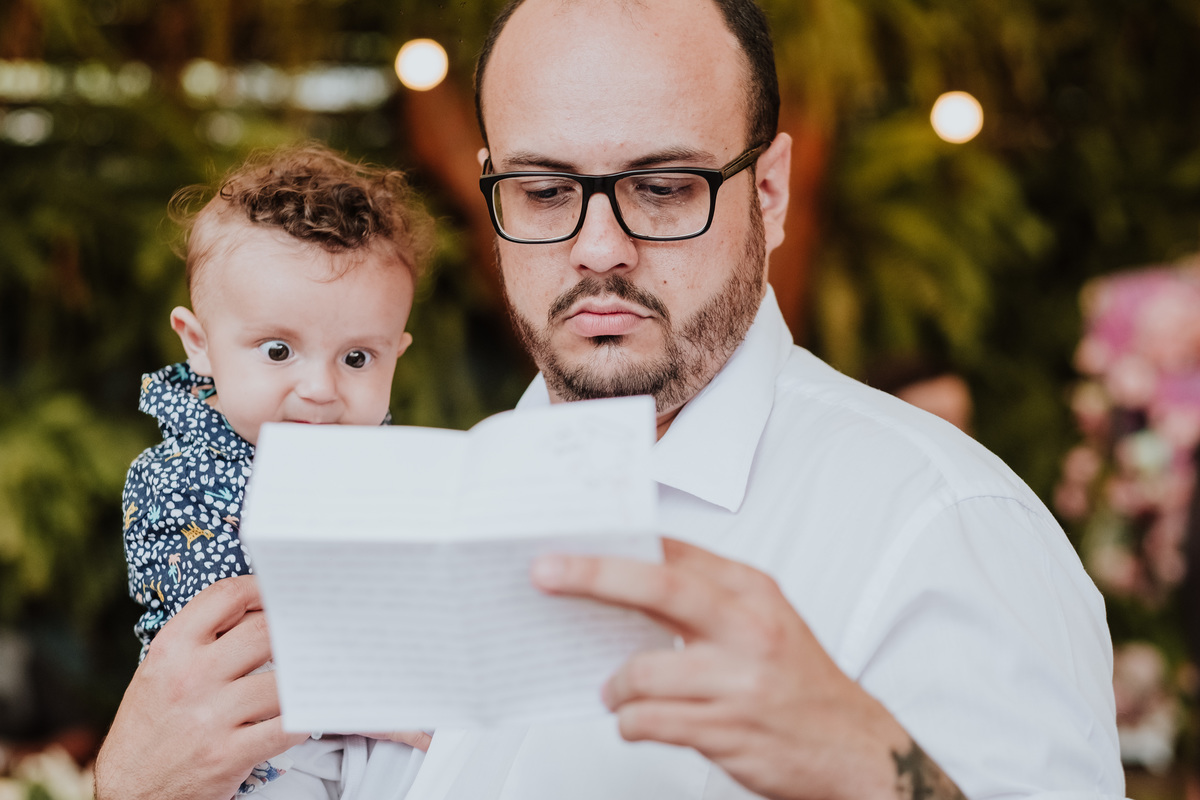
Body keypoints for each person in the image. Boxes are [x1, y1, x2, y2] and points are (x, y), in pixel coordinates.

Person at [95, 1, 1125, 798]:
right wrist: (132, 783)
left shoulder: (938, 522)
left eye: (664, 186)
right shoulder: (443, 502)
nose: (598, 247)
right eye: (546, 192)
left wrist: (868, 762)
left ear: (767, 194)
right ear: (496, 197)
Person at [118, 144, 433, 797]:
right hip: (251, 760)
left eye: (357, 358)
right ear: (199, 343)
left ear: (396, 350)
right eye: (279, 350)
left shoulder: (382, 464)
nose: (320, 388)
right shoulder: (187, 479)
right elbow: (226, 658)